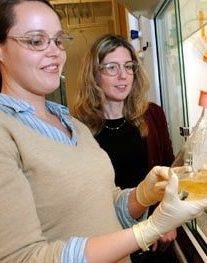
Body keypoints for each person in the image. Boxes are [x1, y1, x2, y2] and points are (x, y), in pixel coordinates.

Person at [0, 0, 207, 263]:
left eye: (57, 40)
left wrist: (142, 195)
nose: (54, 52)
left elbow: (103, 208)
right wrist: (149, 230)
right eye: (36, 41)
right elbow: (18, 258)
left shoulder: (71, 125)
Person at [71, 34, 176, 262]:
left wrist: (166, 219)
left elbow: (170, 170)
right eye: (111, 67)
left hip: (155, 239)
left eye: (129, 67)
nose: (123, 76)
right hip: (109, 239)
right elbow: (84, 196)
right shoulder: (77, 128)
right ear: (94, 75)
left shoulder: (153, 115)